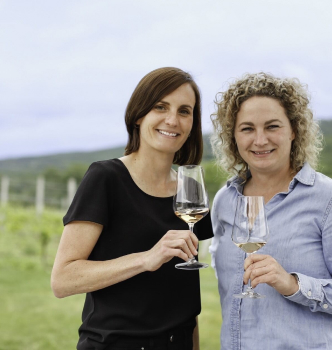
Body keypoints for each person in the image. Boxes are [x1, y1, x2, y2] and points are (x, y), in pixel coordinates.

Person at [209, 72, 332, 349]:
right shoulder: (224, 201)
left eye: (272, 126)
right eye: (247, 128)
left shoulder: (329, 198)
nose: (260, 140)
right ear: (234, 136)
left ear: (294, 130)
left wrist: (293, 284)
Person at [51, 67, 213, 350]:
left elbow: (185, 295)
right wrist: (146, 258)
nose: (173, 120)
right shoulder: (106, 178)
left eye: (184, 111)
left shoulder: (190, 189)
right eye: (160, 107)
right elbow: (63, 280)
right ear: (139, 115)